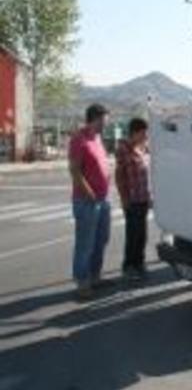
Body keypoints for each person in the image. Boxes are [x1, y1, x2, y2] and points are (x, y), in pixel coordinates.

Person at [68, 103, 112, 300]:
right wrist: (89, 193)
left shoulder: (98, 138)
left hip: (103, 200)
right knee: (85, 243)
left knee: (101, 240)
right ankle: (82, 282)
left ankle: (95, 277)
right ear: (95, 118)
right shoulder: (79, 139)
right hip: (87, 201)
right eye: (105, 120)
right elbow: (74, 170)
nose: (107, 123)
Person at [115, 117, 151, 282]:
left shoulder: (143, 148)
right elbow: (119, 175)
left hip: (143, 198)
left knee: (142, 234)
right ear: (135, 132)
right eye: (143, 133)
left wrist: (150, 196)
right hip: (132, 199)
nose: (146, 136)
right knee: (133, 234)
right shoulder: (124, 148)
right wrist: (124, 199)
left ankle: (139, 263)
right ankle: (129, 266)